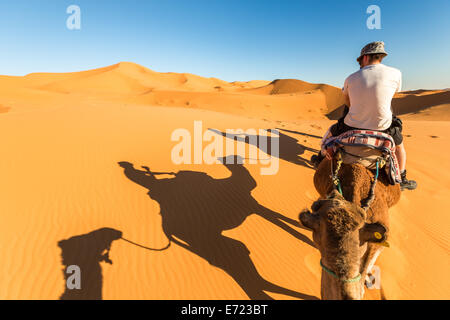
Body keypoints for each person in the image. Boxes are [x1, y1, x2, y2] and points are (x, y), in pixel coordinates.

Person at [311, 41, 417, 191]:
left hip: (351, 125)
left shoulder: (351, 77)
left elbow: (347, 101)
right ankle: (402, 177)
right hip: (384, 127)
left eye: (360, 61)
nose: (360, 64)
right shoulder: (396, 73)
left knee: (329, 134)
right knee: (399, 147)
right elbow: (392, 94)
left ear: (365, 58)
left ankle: (320, 158)